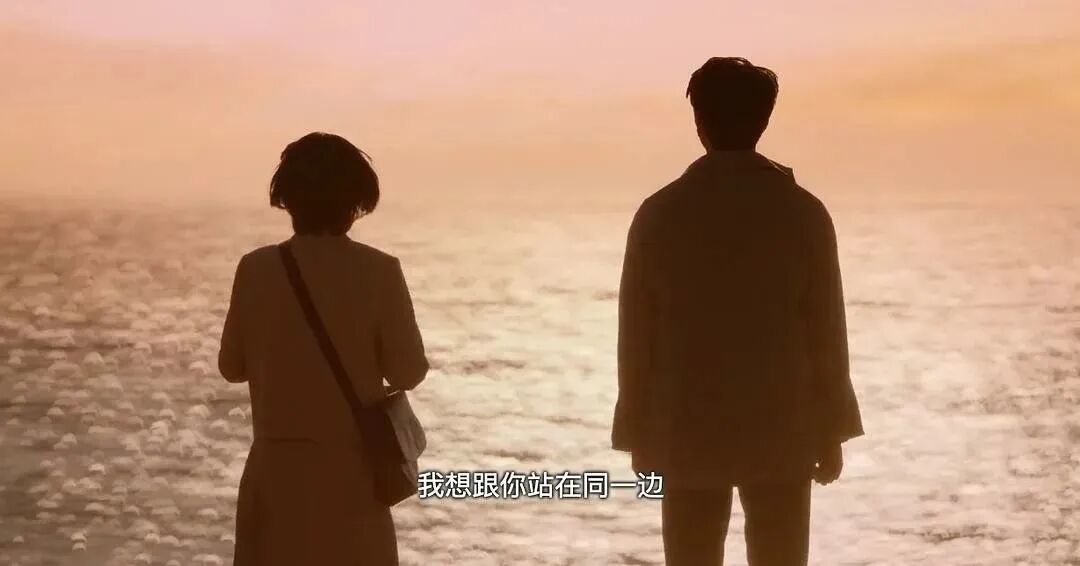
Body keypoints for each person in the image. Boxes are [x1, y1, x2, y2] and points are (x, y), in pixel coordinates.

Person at [611, 57, 864, 566]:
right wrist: (831, 428)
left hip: (684, 422)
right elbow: (825, 331)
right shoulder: (802, 211)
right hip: (782, 423)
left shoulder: (661, 212)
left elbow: (637, 334)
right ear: (764, 119)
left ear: (699, 121)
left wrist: (637, 429)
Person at [218, 132, 429, 566]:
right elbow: (407, 372)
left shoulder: (255, 268)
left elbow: (231, 366)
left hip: (274, 478)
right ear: (355, 202)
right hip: (351, 482)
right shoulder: (380, 271)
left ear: (288, 199)